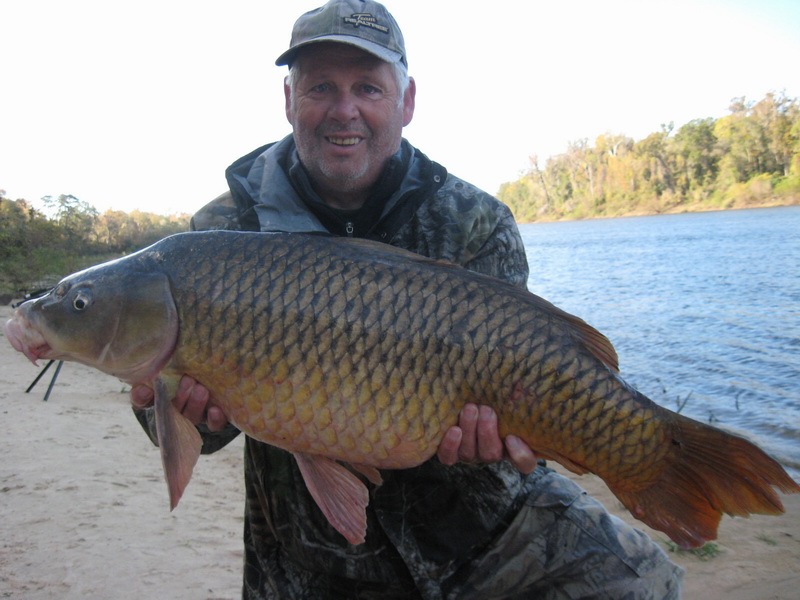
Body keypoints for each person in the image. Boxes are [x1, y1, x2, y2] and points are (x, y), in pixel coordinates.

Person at [132, 1, 684, 597]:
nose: (345, 111)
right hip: (310, 552)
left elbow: (517, 395)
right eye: (321, 86)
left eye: (368, 87)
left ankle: (657, 456)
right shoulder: (222, 235)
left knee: (644, 583)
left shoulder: (476, 223)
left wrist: (499, 441)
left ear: (407, 101)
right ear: (289, 100)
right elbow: (201, 431)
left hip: (479, 530)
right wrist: (177, 409)